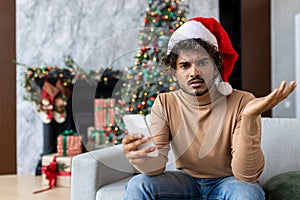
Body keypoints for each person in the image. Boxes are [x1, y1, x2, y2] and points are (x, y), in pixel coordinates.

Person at [122, 17, 296, 200]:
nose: (194, 72)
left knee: (248, 193)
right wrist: (140, 159)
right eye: (185, 65)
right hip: (185, 181)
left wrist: (249, 117)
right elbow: (156, 167)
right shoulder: (165, 103)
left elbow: (247, 175)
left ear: (215, 68)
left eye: (203, 63)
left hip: (229, 182)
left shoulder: (243, 101)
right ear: (175, 72)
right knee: (138, 184)